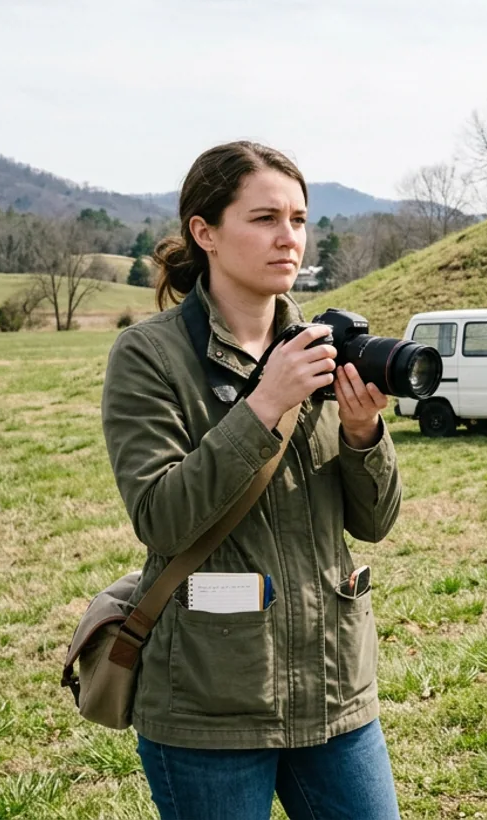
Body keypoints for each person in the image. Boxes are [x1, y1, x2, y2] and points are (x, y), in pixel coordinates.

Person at [101, 142, 403, 819]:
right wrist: (265, 404)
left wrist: (363, 436)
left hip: (334, 692)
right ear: (204, 233)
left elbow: (375, 523)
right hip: (211, 705)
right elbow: (161, 517)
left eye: (298, 219)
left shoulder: (323, 347)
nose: (288, 238)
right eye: (265, 218)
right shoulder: (149, 356)